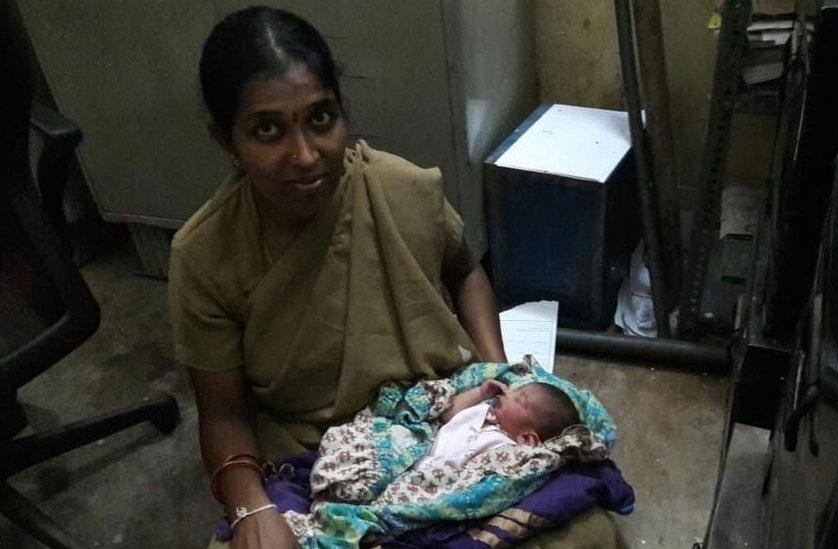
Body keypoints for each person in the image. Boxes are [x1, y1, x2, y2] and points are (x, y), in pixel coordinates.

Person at [170, 6, 620, 548]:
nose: (307, 155)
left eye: (321, 119)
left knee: (588, 535)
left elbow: (465, 270)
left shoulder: (400, 189)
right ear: (226, 141)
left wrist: (495, 370)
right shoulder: (205, 254)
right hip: (315, 448)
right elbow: (221, 412)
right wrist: (249, 508)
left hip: (445, 408)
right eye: (268, 130)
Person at [410, 380, 580, 471]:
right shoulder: (486, 411)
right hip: (416, 446)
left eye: (519, 399)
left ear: (528, 438)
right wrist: (480, 393)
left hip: (427, 473)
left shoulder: (504, 451)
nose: (508, 393)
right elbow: (447, 416)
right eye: (515, 389)